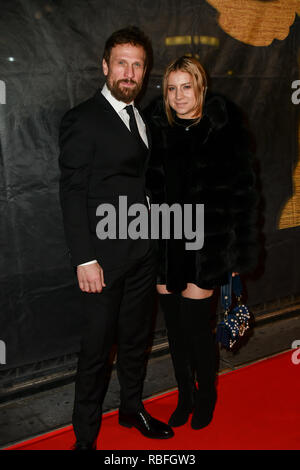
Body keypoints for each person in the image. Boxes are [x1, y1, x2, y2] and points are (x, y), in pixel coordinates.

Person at [58, 26, 174, 450]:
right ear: (105, 66)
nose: (129, 72)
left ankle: (131, 408)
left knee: (135, 340)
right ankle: (85, 439)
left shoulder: (141, 116)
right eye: (121, 63)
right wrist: (84, 259)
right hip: (103, 262)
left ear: (145, 72)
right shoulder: (82, 119)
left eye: (137, 65)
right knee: (94, 353)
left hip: (142, 253)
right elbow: (71, 193)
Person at [145, 56, 258, 430]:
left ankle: (206, 394)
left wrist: (240, 252)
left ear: (201, 87)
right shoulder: (156, 128)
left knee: (196, 330)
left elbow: (244, 194)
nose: (178, 96)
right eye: (172, 88)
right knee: (174, 332)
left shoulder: (225, 129)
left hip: (205, 247)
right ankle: (185, 396)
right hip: (166, 244)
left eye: (186, 87)